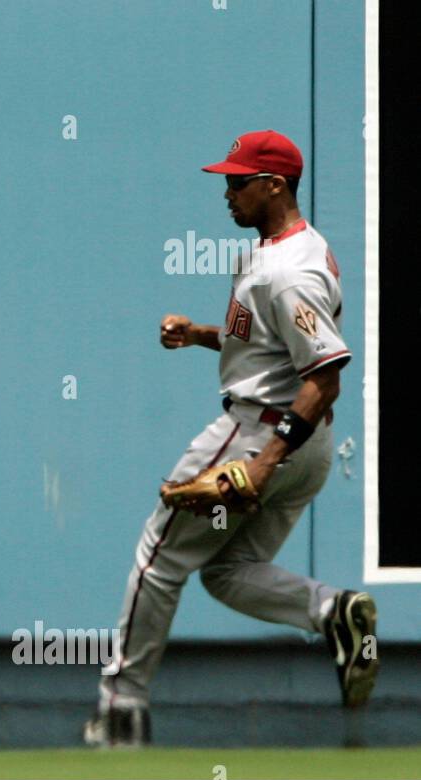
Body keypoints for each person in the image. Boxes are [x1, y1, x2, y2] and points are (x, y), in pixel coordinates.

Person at [83, 131, 379, 747]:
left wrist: (265, 463)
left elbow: (324, 378)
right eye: (226, 179)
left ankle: (122, 707)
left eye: (238, 181)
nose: (227, 192)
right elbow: (268, 346)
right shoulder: (284, 251)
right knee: (230, 569)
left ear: (275, 184)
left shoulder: (288, 272)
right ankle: (332, 611)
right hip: (306, 445)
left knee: (158, 557)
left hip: (262, 433)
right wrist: (199, 335)